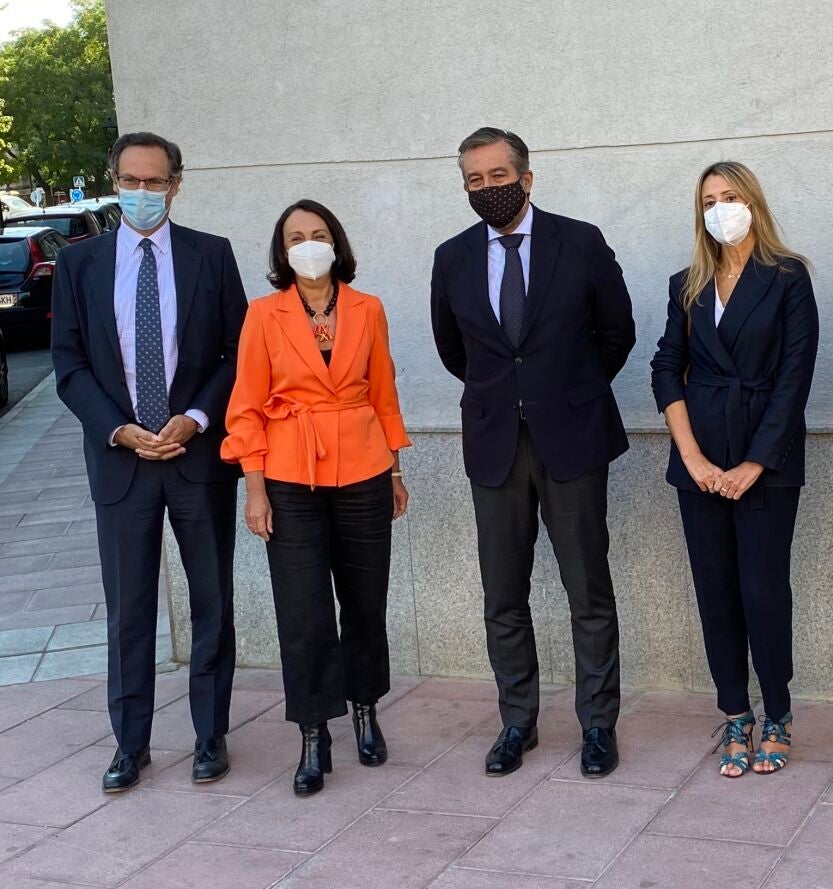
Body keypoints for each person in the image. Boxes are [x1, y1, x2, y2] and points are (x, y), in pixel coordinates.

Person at [431, 127, 636, 779]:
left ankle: (598, 724)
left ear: (526, 177)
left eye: (497, 175)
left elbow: (617, 332)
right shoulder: (452, 257)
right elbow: (454, 350)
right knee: (503, 595)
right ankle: (517, 721)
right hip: (495, 443)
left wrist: (568, 392)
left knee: (588, 590)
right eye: (474, 179)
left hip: (572, 438)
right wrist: (507, 397)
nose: (486, 188)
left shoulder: (580, 242)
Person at [51, 132, 247, 791]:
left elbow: (237, 353)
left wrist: (195, 418)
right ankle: (130, 745)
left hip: (197, 458)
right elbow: (69, 364)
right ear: (113, 181)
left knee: (211, 601)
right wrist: (120, 431)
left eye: (154, 181)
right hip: (122, 462)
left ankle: (210, 736)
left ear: (176, 184)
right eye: (130, 180)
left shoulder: (211, 255)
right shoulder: (78, 264)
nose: (141, 192)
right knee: (129, 609)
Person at [221, 200, 411, 797]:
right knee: (303, 612)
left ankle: (365, 710)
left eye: (319, 233)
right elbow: (246, 407)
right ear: (283, 251)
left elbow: (384, 394)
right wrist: (255, 491)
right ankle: (312, 731)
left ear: (336, 242)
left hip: (364, 470)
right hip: (288, 475)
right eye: (296, 237)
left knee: (365, 603)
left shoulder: (368, 308)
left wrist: (395, 471)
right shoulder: (263, 314)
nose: (308, 244)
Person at [650, 162, 819, 777]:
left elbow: (795, 376)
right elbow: (666, 367)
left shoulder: (788, 277)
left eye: (730, 196)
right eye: (709, 201)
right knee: (715, 589)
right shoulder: (687, 283)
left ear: (753, 202)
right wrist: (692, 457)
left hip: (766, 460)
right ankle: (735, 714)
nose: (720, 209)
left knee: (762, 589)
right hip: (698, 462)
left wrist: (755, 462)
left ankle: (777, 713)